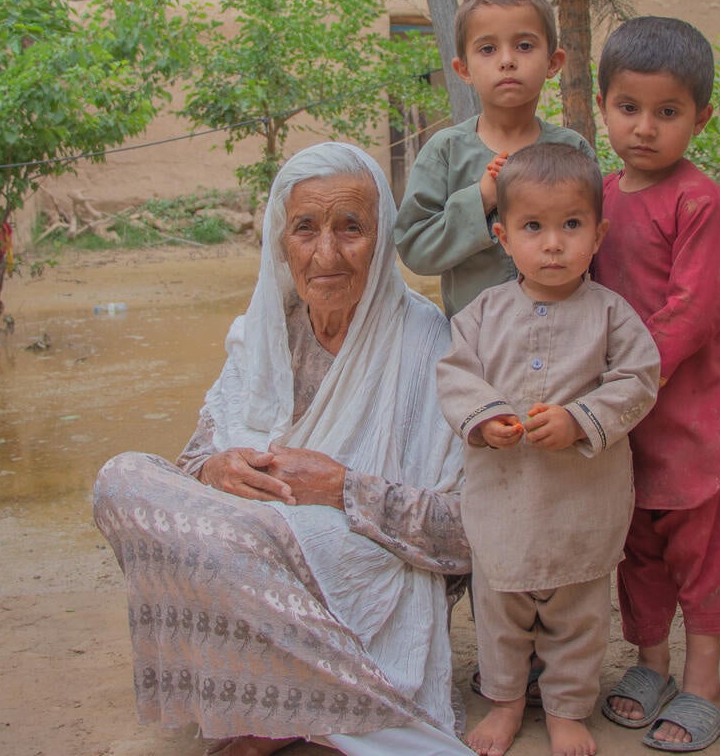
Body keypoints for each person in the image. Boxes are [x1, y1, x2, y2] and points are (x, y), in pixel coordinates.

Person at [92, 142, 475, 756]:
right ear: (279, 240)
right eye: (305, 229)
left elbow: (467, 533)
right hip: (251, 546)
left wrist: (343, 486)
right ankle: (288, 701)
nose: (327, 253)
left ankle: (297, 711)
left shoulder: (426, 341)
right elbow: (190, 464)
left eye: (351, 228)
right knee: (121, 479)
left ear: (382, 241)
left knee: (238, 543)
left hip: (358, 559)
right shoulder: (264, 332)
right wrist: (217, 467)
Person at [436, 143, 660, 756]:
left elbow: (639, 379)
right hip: (504, 499)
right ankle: (505, 704)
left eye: (571, 225)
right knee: (501, 612)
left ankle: (566, 710)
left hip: (582, 501)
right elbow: (455, 376)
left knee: (578, 616)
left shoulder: (611, 315)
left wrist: (581, 419)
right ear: (504, 237)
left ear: (599, 233)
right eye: (533, 227)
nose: (553, 243)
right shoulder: (482, 314)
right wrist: (484, 421)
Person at [591, 17, 720, 753]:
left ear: (701, 117)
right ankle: (650, 666)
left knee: (703, 553)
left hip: (697, 419)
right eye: (629, 108)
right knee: (641, 548)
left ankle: (705, 687)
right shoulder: (598, 197)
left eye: (667, 112)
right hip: (630, 422)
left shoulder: (700, 202)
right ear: (602, 106)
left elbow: (692, 313)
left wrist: (616, 381)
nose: (645, 129)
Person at [396, 0, 598, 317]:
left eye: (524, 45)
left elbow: (596, 245)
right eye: (487, 49)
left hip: (563, 340)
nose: (506, 60)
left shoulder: (572, 149)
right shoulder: (446, 152)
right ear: (464, 69)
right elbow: (416, 249)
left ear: (553, 62)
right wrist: (482, 199)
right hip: (474, 350)